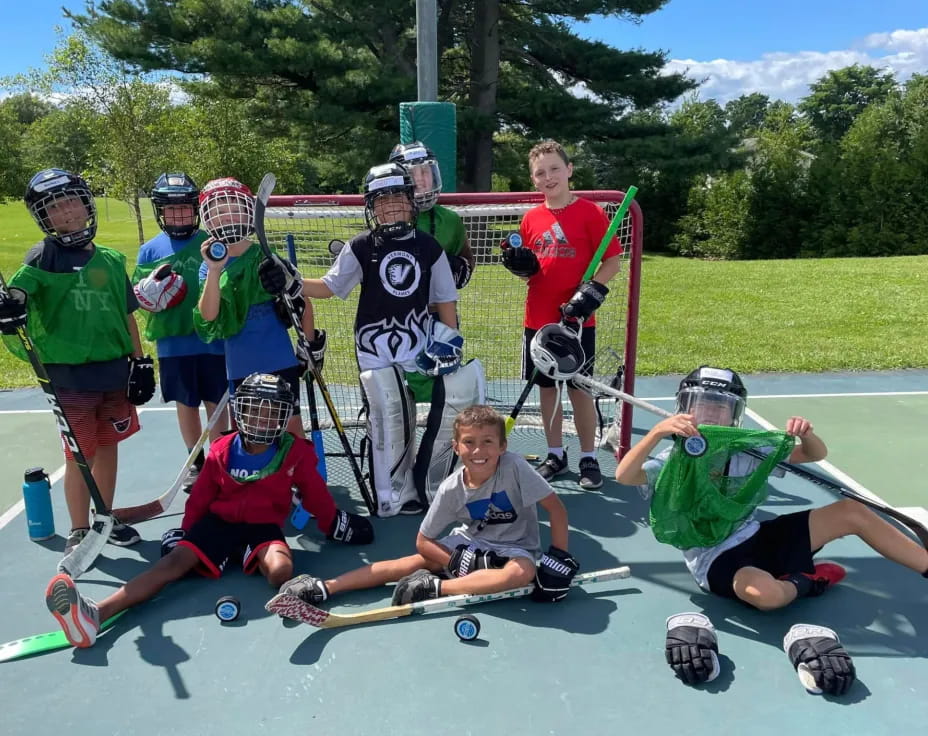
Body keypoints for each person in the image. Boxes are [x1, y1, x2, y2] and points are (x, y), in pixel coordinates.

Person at [43, 372, 374, 649]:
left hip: (262, 528)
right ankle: (94, 615)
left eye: (272, 412)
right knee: (170, 566)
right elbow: (200, 497)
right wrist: (186, 531)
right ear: (241, 412)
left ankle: (284, 580)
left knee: (280, 570)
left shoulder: (294, 452)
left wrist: (335, 525)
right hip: (217, 523)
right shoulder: (221, 449)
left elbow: (316, 495)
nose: (263, 418)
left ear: (284, 417)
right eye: (255, 410)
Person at [260, 163, 484, 517]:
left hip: (419, 344)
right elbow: (330, 288)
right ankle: (395, 492)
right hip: (374, 348)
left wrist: (450, 335)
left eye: (397, 198)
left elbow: (445, 298)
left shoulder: (429, 247)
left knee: (450, 406)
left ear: (411, 201)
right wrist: (293, 280)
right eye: (381, 201)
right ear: (370, 206)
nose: (390, 207)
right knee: (389, 418)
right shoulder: (361, 246)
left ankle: (433, 484)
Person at [615, 365, 928, 611]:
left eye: (720, 406)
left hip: (757, 536)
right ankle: (806, 581)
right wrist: (654, 434)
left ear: (734, 414)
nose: (710, 413)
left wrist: (806, 434)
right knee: (767, 596)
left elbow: (813, 454)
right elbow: (625, 477)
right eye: (702, 404)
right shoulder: (675, 460)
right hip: (715, 559)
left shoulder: (745, 448)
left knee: (852, 512)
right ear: (684, 407)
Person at [270, 405, 578, 610]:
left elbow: (557, 510)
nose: (478, 451)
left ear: (502, 446)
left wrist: (559, 557)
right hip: (470, 544)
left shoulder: (515, 467)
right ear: (456, 447)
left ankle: (435, 588)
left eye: (487, 442)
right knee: (411, 561)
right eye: (469, 442)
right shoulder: (450, 489)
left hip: (516, 546)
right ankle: (325, 587)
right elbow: (423, 541)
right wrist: (456, 559)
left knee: (522, 573)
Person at [0, 169, 154, 562]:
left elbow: (126, 315)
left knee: (108, 446)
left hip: (113, 373)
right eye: (54, 208)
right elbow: (17, 299)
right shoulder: (42, 259)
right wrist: (9, 308)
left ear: (86, 205)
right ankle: (79, 528)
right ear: (44, 218)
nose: (66, 213)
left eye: (71, 202)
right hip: (69, 377)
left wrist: (139, 362)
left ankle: (105, 517)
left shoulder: (110, 259)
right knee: (79, 454)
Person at [501, 140, 622, 491]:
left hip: (578, 321)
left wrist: (591, 293)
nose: (548, 176)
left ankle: (588, 456)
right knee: (546, 391)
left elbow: (612, 261)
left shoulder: (591, 213)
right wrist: (521, 268)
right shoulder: (531, 219)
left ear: (569, 170)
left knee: (580, 390)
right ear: (533, 180)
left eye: (555, 169)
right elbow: (532, 271)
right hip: (538, 318)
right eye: (541, 173)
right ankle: (555, 453)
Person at [193, 177, 326, 440]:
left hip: (279, 358)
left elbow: (301, 302)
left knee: (291, 430)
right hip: (240, 364)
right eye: (218, 212)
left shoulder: (267, 258)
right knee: (251, 434)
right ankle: (260, 482)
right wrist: (213, 270)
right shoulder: (208, 267)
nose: (226, 217)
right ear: (208, 219)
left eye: (232, 209)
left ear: (246, 212)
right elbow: (209, 316)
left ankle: (297, 479)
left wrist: (309, 347)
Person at [134, 173, 228, 490]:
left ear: (195, 208)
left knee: (217, 401)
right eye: (171, 209)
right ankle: (195, 461)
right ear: (160, 211)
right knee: (185, 402)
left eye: (185, 208)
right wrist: (149, 295)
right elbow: (141, 299)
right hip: (174, 342)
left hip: (212, 339)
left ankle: (221, 459)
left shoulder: (211, 243)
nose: (178, 215)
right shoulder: (149, 251)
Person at [388, 142, 475, 405]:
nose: (421, 180)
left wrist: (459, 268)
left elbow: (467, 260)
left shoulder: (450, 220)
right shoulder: (389, 217)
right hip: (398, 318)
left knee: (444, 385)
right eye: (413, 174)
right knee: (398, 395)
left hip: (439, 314)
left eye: (426, 172)